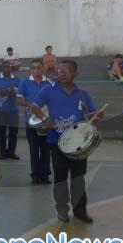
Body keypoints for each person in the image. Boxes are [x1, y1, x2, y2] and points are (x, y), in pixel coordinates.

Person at [31, 60, 104, 223]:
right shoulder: (48, 90)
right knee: (60, 178)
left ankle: (80, 211)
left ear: (76, 74)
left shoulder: (82, 94)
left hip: (78, 143)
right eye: (60, 70)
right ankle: (62, 209)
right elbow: (34, 107)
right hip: (56, 141)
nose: (62, 72)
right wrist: (45, 118)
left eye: (67, 70)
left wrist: (97, 116)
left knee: (78, 178)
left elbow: (91, 112)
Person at [16, 59, 53, 184]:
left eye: (38, 67)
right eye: (33, 68)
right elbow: (19, 99)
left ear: (43, 69)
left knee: (46, 149)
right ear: (31, 69)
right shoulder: (24, 82)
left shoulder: (49, 83)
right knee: (34, 149)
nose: (36, 70)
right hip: (31, 122)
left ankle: (45, 174)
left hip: (46, 121)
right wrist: (31, 105)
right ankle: (35, 174)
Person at [0, 63, 20, 159]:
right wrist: (5, 91)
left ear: (11, 68)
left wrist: (15, 92)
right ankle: (2, 152)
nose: (7, 69)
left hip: (13, 110)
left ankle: (11, 152)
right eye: (5, 67)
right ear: (2, 69)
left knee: (13, 132)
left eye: (9, 67)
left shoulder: (16, 79)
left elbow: (20, 95)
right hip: (0, 110)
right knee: (0, 132)